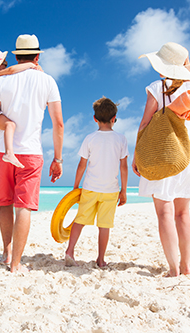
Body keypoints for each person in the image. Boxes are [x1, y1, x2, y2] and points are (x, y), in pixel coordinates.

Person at [0, 34, 64, 273]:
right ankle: (16, 264)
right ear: (37, 56)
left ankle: (6, 254)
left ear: (16, 56)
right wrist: (57, 158)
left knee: (5, 204)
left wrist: (3, 138)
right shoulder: (48, 81)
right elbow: (58, 124)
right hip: (30, 154)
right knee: (24, 208)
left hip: (3, 153)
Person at [132, 42, 190, 277]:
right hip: (187, 150)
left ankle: (173, 269)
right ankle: (186, 265)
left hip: (162, 149)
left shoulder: (156, 87)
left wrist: (137, 154)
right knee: (183, 213)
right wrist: (187, 65)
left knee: (164, 212)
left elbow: (145, 123)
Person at [64, 97, 128, 268]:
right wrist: (124, 190)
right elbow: (124, 167)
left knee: (80, 220)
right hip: (111, 190)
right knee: (104, 226)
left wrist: (75, 187)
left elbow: (81, 165)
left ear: (95, 119)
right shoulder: (121, 139)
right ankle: (100, 259)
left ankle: (70, 251)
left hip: (90, 188)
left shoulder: (90, 138)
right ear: (114, 118)